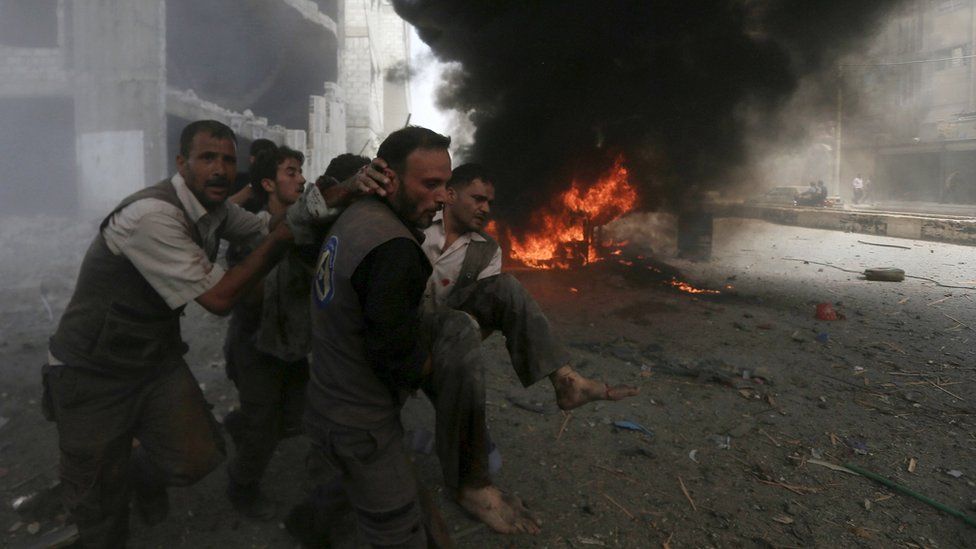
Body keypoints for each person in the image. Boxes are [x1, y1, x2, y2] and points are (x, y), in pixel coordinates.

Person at [42, 120, 387, 547]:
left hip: (152, 362)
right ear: (182, 163)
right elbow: (223, 297)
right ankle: (112, 496)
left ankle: (138, 470)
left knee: (199, 459)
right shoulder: (153, 216)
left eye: (227, 159)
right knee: (98, 509)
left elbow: (271, 228)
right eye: (207, 158)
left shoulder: (214, 211)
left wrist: (336, 195)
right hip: (92, 370)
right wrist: (283, 238)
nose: (220, 169)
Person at [422, 163, 639, 414]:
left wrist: (449, 349)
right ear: (450, 195)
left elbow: (485, 315)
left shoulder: (487, 251)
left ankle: (566, 381)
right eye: (478, 199)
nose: (486, 209)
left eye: (489, 202)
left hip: (444, 334)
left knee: (466, 425)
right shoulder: (418, 222)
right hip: (391, 327)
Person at [221, 145, 316, 519]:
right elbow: (245, 296)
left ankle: (239, 424)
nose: (301, 179)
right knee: (263, 428)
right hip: (256, 344)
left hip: (293, 344)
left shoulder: (307, 228)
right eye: (291, 172)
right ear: (267, 183)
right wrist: (277, 244)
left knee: (298, 418)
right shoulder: (249, 229)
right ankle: (242, 486)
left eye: (300, 172)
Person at [229, 138, 278, 212]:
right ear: (252, 159)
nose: (266, 164)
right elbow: (224, 208)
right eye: (262, 159)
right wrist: (252, 186)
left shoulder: (279, 181)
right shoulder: (237, 179)